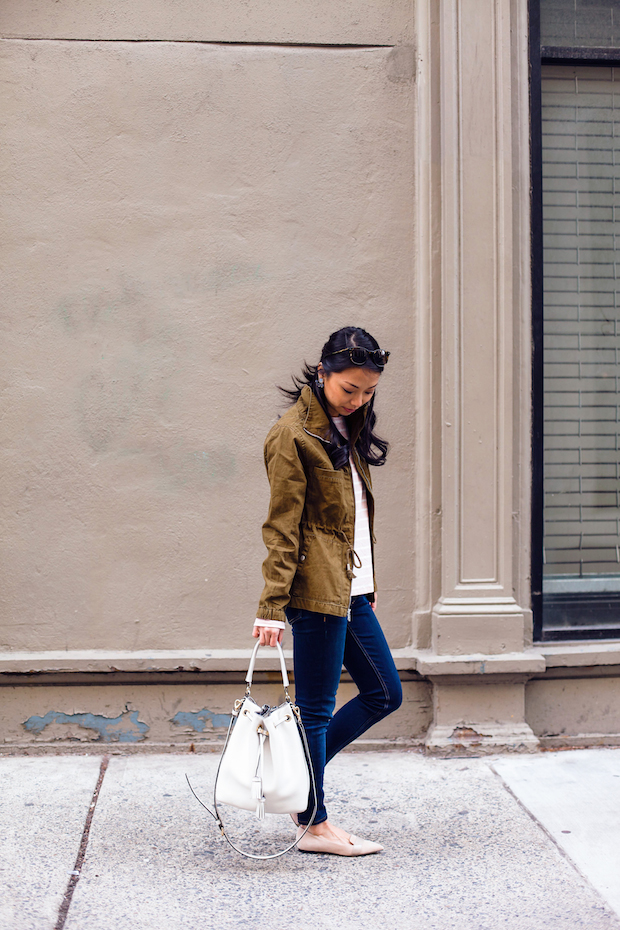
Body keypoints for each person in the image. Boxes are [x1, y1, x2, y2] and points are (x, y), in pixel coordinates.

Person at [252, 326, 402, 857]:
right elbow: (282, 528)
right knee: (316, 709)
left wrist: (368, 582)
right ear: (323, 374)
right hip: (314, 591)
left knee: (386, 692)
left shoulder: (346, 428)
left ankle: (296, 781)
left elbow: (354, 518)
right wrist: (271, 606)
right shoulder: (292, 435)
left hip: (351, 589)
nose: (360, 400)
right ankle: (315, 823)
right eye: (350, 390)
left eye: (368, 391)